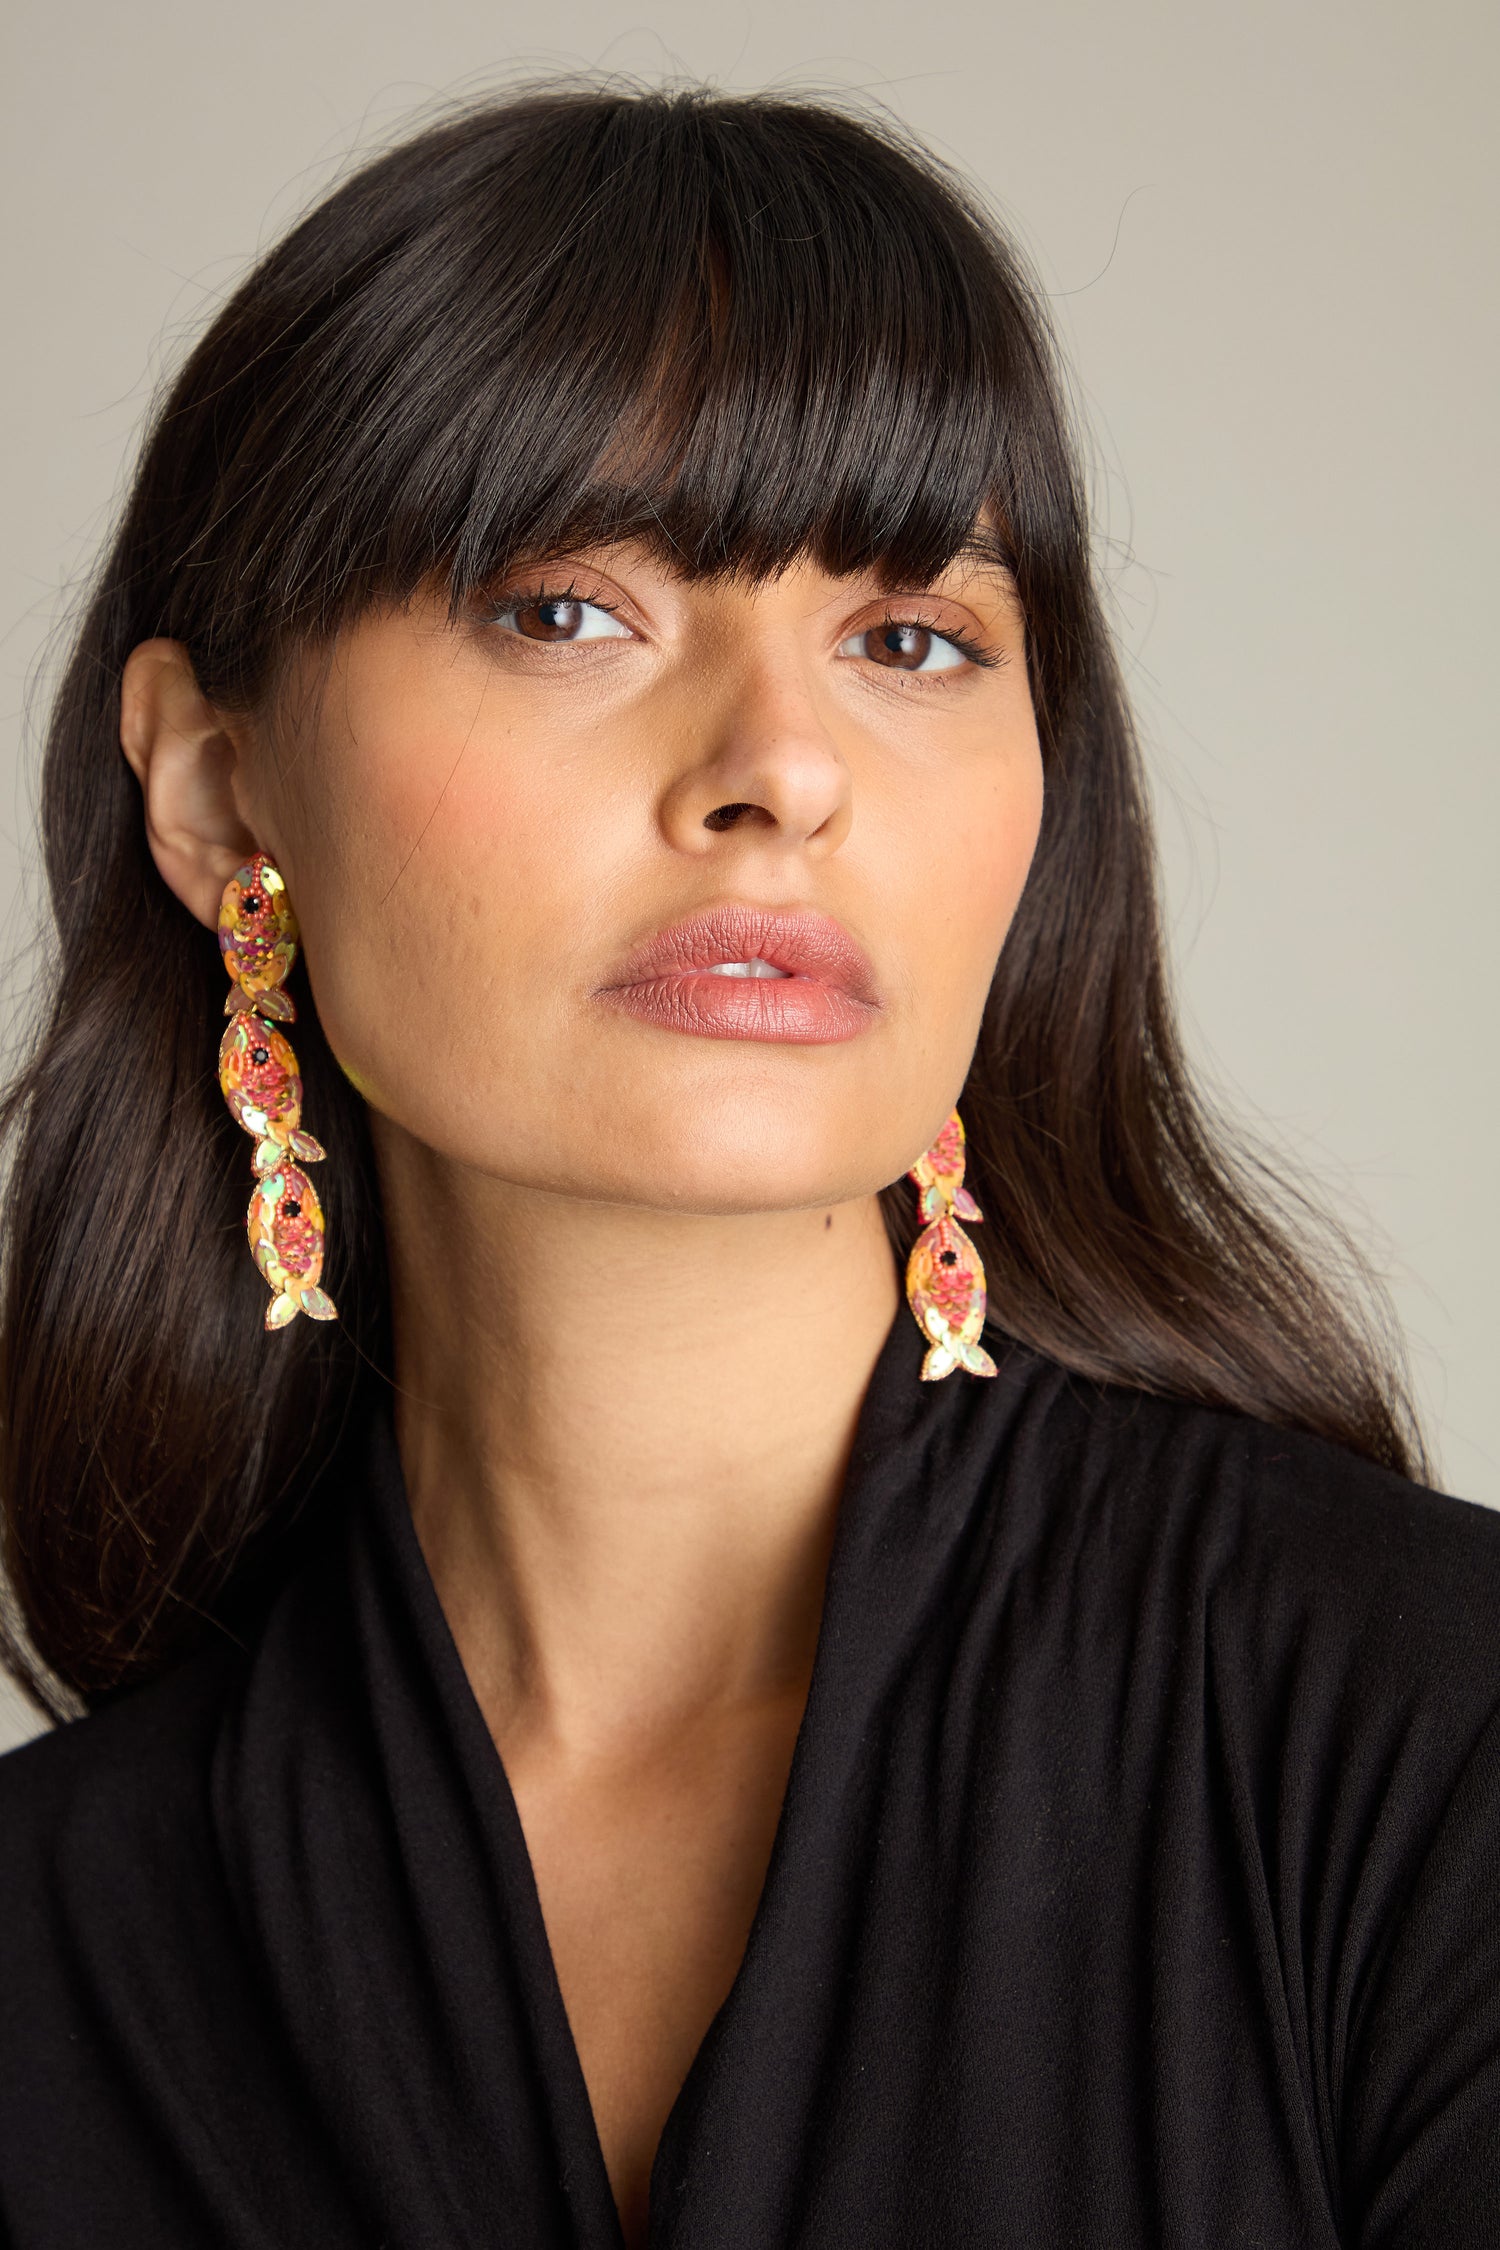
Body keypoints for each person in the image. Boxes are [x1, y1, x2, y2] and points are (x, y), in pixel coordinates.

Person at [0, 82, 1495, 2250]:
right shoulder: (54, 1946)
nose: (779, 771)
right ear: (224, 793)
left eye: (911, 641)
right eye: (569, 611)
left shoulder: (1419, 1748)